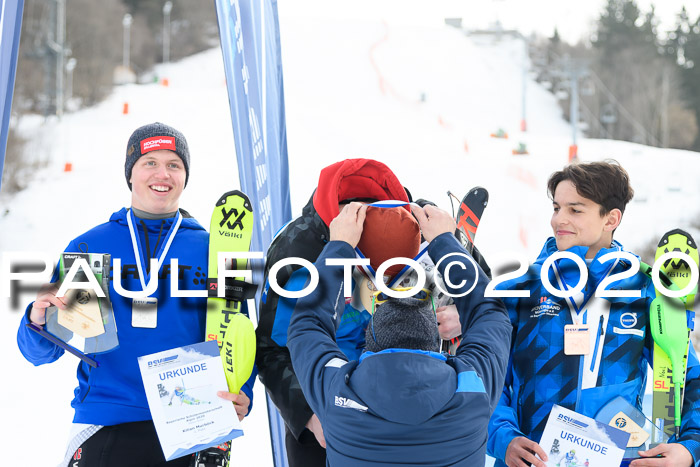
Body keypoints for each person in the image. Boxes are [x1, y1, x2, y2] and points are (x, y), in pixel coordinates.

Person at [16, 122, 255, 467]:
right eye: (150, 163)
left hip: (194, 421)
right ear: (130, 174)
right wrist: (37, 321)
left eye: (174, 164)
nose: (163, 174)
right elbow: (42, 351)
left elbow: (241, 333)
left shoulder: (219, 249)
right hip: (108, 418)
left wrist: (242, 393)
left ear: (185, 176)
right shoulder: (92, 248)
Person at [255, 158, 473, 466]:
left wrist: (462, 319)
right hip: (328, 415)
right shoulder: (298, 250)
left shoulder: (424, 228)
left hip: (415, 408)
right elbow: (271, 349)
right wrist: (309, 415)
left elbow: (487, 304)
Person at [486, 160, 700, 467]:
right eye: (556, 207)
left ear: (611, 218)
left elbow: (689, 375)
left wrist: (691, 447)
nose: (559, 219)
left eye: (575, 209)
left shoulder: (645, 290)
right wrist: (502, 437)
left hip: (617, 459)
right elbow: (488, 375)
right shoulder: (523, 287)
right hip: (534, 460)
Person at [286, 202, 511, 466]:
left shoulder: (337, 392)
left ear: (368, 346)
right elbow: (491, 314)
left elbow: (306, 325)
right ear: (436, 344)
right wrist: (444, 243)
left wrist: (340, 248)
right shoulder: (473, 389)